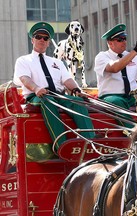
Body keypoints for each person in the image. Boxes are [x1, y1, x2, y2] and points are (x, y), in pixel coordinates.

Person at [13, 21, 96, 155]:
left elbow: (67, 79)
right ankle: (61, 145)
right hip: (36, 96)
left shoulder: (56, 62)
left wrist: (77, 91)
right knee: (47, 101)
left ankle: (91, 141)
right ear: (32, 40)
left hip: (58, 95)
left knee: (77, 102)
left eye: (45, 38)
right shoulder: (23, 60)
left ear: (48, 42)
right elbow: (24, 78)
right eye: (38, 37)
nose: (42, 40)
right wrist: (36, 88)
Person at [94, 23, 137, 128]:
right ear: (110, 43)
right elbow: (115, 68)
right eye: (120, 39)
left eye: (125, 38)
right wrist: (135, 51)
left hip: (132, 97)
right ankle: (133, 133)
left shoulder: (132, 56)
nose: (124, 42)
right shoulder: (102, 57)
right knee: (117, 102)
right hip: (111, 96)